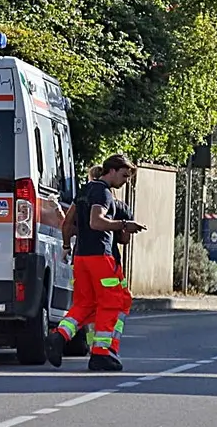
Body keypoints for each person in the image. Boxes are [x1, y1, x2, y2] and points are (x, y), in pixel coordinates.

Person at [47, 154, 146, 371]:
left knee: (84, 303)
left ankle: (60, 335)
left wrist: (66, 247)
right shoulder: (104, 193)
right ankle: (101, 353)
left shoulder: (84, 191)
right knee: (113, 302)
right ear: (111, 171)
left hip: (81, 257)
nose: (125, 181)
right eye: (124, 175)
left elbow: (67, 223)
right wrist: (124, 225)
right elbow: (96, 222)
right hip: (101, 257)